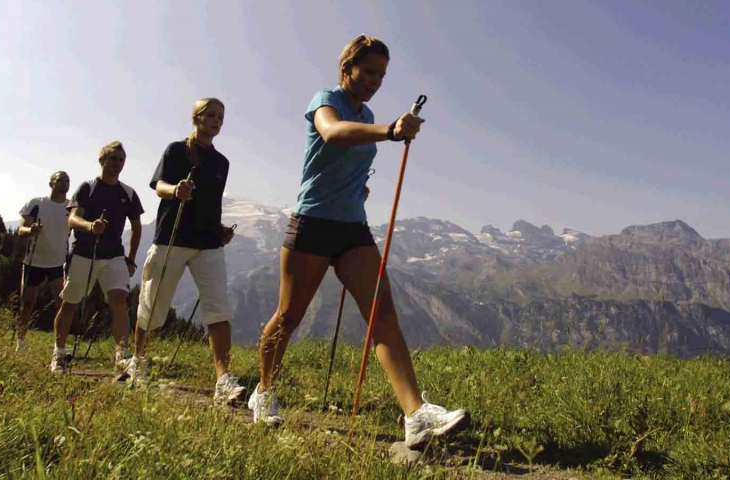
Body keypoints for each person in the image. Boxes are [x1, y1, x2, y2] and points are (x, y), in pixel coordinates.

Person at [250, 35, 470, 448]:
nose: (374, 81)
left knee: (381, 312)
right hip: (312, 222)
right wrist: (389, 130)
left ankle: (415, 414)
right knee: (289, 315)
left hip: (352, 227)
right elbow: (332, 134)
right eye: (368, 71)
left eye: (382, 75)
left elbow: (348, 156)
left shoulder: (365, 112)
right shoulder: (326, 98)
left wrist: (357, 189)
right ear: (347, 67)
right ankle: (263, 393)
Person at [125, 98, 245, 405]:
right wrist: (175, 190)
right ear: (196, 117)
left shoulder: (223, 163)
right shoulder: (176, 150)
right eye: (211, 115)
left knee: (219, 308)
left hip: (208, 243)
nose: (217, 120)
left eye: (221, 116)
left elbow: (211, 204)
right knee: (153, 303)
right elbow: (158, 185)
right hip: (172, 237)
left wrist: (220, 231)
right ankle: (138, 360)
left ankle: (223, 380)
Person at [50, 141, 143, 374]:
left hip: (114, 256)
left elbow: (136, 226)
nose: (117, 164)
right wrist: (90, 226)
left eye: (121, 160)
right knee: (70, 304)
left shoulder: (128, 193)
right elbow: (72, 219)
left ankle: (122, 356)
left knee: (119, 302)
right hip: (83, 253)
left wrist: (130, 259)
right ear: (102, 161)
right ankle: (59, 355)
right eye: (112, 159)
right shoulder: (87, 188)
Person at [16, 171, 71, 354]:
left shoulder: (72, 207)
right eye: (59, 180)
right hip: (34, 261)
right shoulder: (37, 204)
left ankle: (59, 346)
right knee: (27, 304)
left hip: (58, 263)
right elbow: (21, 230)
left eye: (67, 180)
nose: (64, 183)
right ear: (51, 183)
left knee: (62, 305)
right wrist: (30, 230)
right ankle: (21, 343)